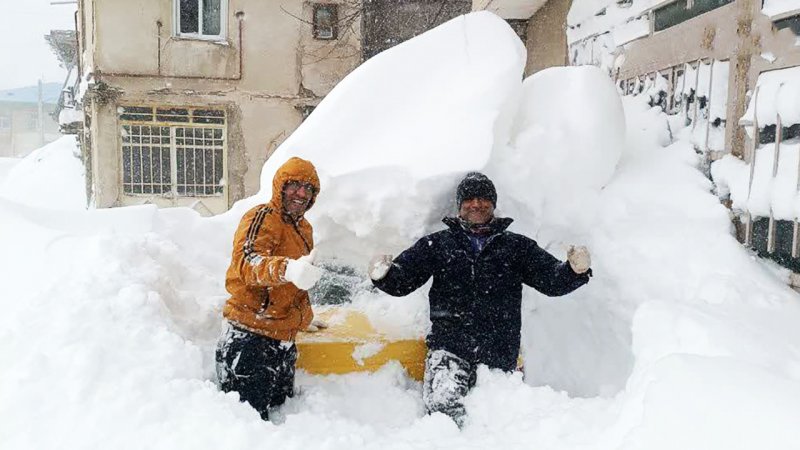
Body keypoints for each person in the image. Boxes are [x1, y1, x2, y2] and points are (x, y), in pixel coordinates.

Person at [368, 172, 592, 427]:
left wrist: (575, 271)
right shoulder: (438, 244)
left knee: (497, 425)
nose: (476, 204)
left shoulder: (516, 247)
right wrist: (384, 276)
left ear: (493, 205)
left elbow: (551, 281)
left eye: (484, 198)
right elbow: (404, 280)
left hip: (499, 354)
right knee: (443, 416)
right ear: (459, 206)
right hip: (449, 350)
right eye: (470, 198)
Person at [216, 157, 327, 421]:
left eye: (308, 188)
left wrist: (302, 317)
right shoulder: (263, 216)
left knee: (281, 422)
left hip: (282, 342)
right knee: (250, 431)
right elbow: (248, 262)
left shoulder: (304, 228)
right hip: (250, 341)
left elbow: (294, 285)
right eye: (295, 185)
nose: (301, 193)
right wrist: (287, 269)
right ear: (280, 186)